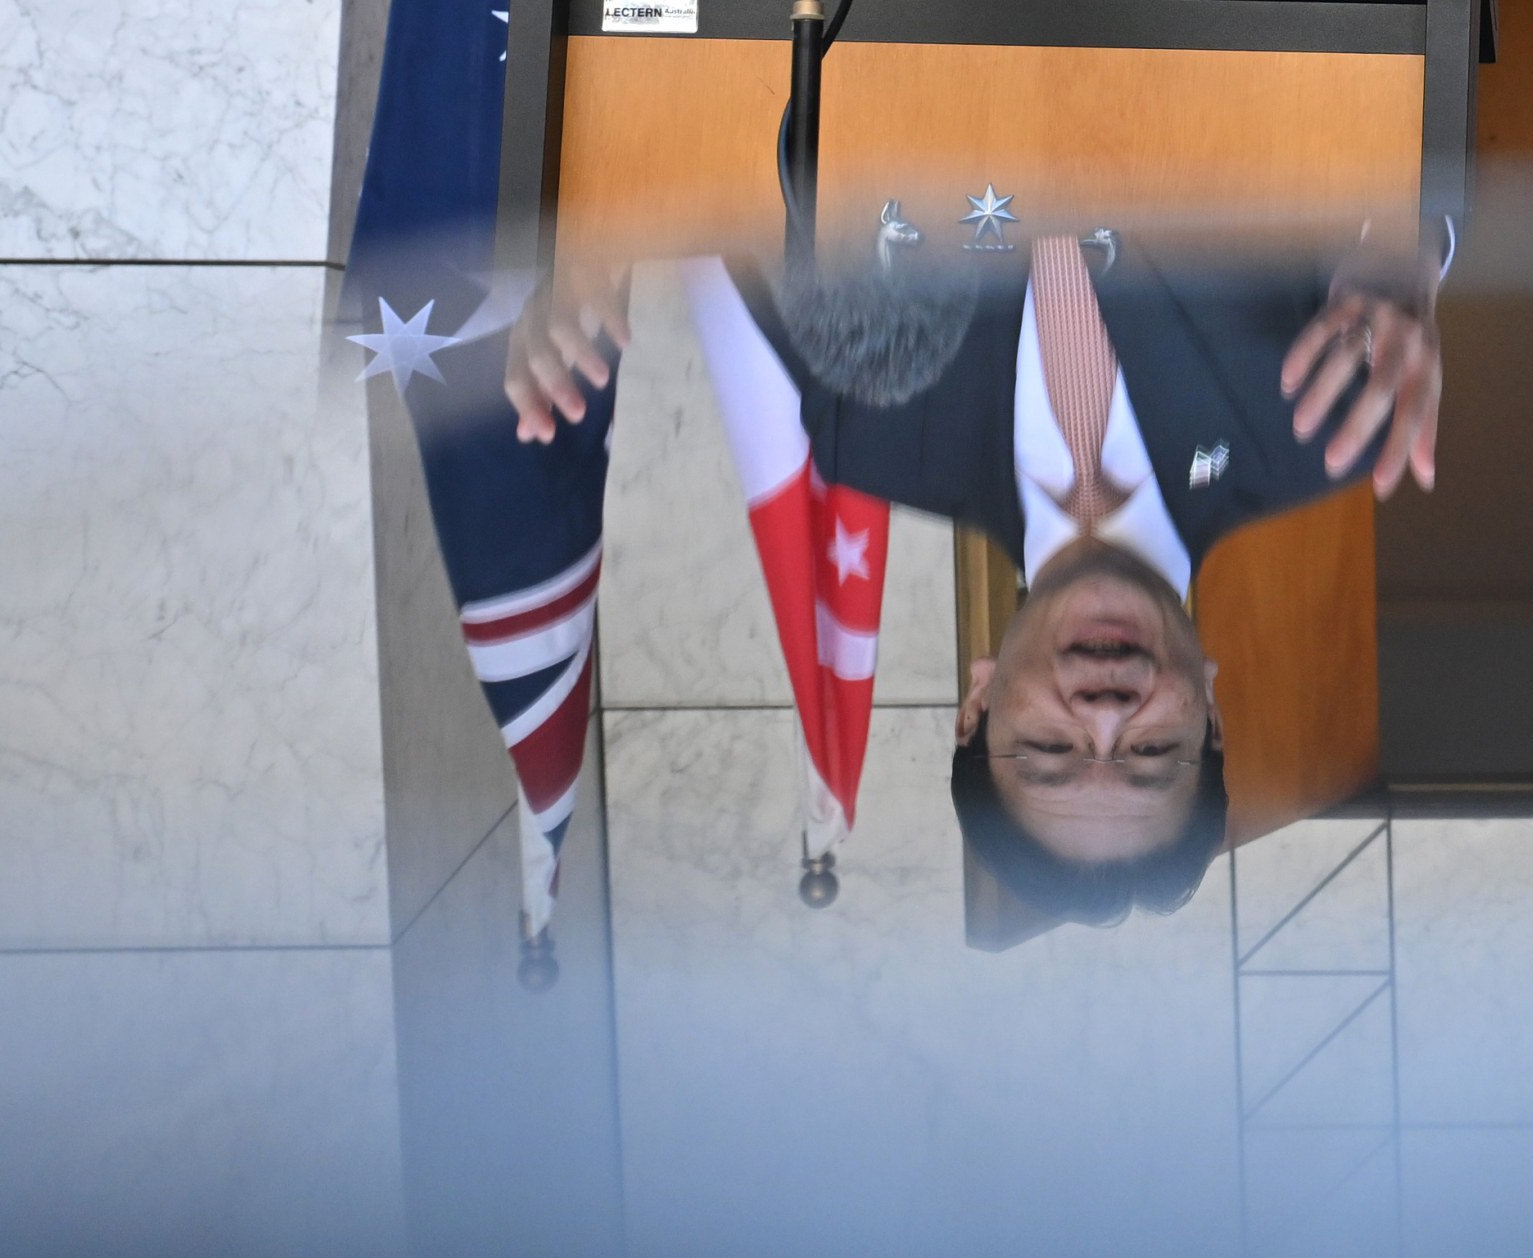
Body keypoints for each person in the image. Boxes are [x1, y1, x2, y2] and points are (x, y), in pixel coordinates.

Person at [504, 222, 1439, 932]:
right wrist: (1400, 253)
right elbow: (1395, 122)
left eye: (1050, 751)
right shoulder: (1320, 427)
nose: (1105, 713)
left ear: (977, 705)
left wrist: (594, 239)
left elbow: (743, 164)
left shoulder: (871, 433)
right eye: (1152, 755)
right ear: (1212, 713)